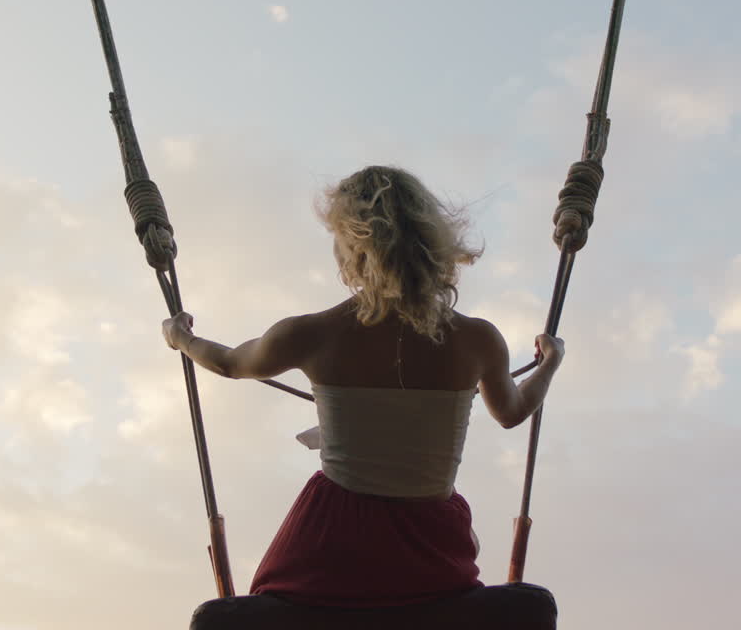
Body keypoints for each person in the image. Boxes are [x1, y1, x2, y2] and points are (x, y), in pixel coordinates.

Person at [161, 165, 565, 607]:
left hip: (331, 545)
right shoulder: (478, 339)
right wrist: (549, 363)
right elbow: (511, 412)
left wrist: (181, 336)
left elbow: (227, 363)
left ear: (350, 247)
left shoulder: (310, 334)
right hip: (429, 547)